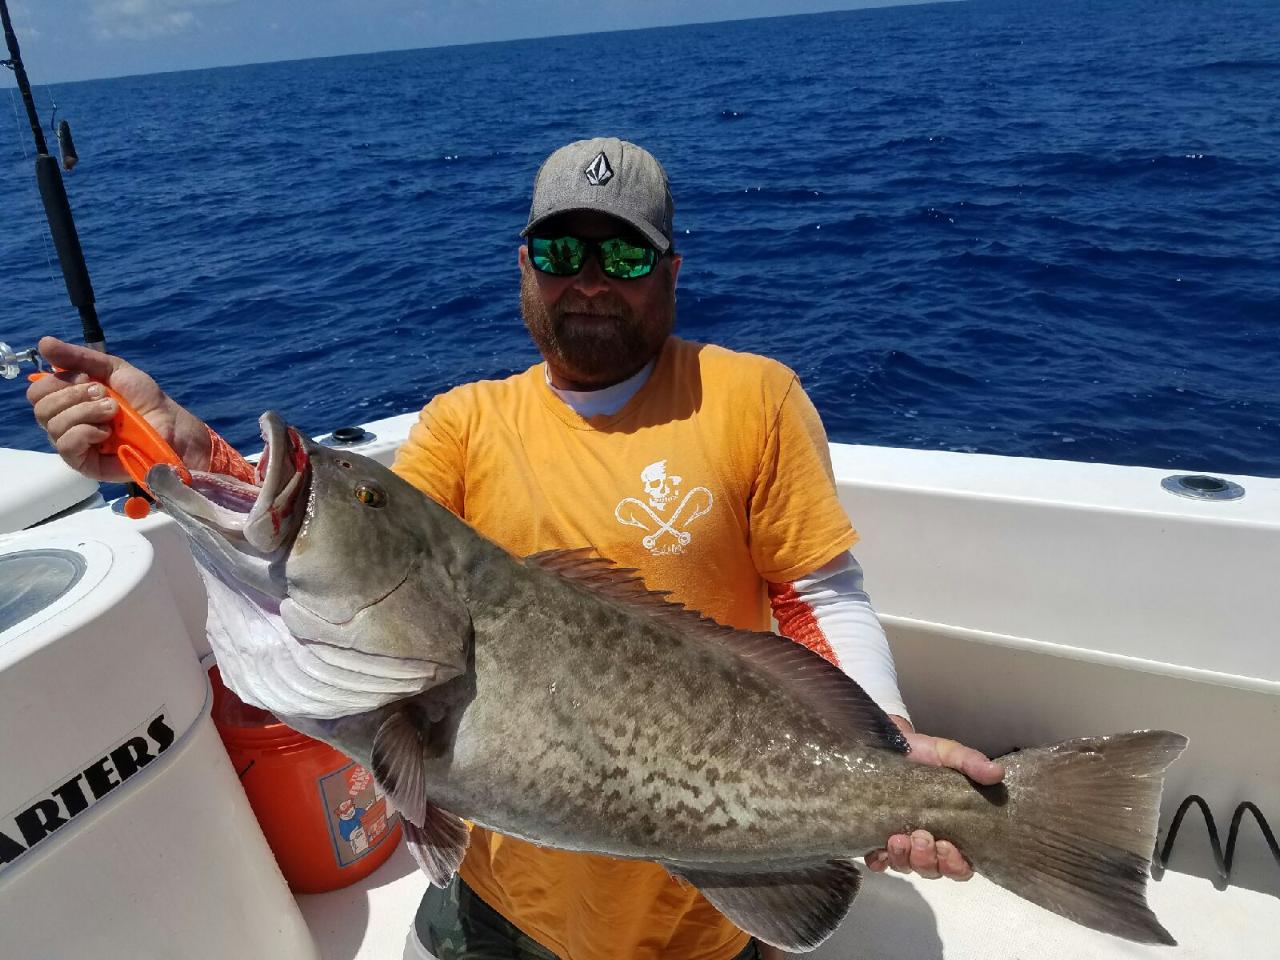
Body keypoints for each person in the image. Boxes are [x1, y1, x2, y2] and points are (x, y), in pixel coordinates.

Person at [28, 137, 1004, 960]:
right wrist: (184, 455)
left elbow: (814, 592)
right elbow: (366, 554)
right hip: (506, 905)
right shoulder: (463, 423)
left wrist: (886, 742)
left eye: (622, 258)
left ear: (669, 272)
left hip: (701, 912)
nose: (588, 280)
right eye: (563, 250)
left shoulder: (751, 398)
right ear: (523, 265)